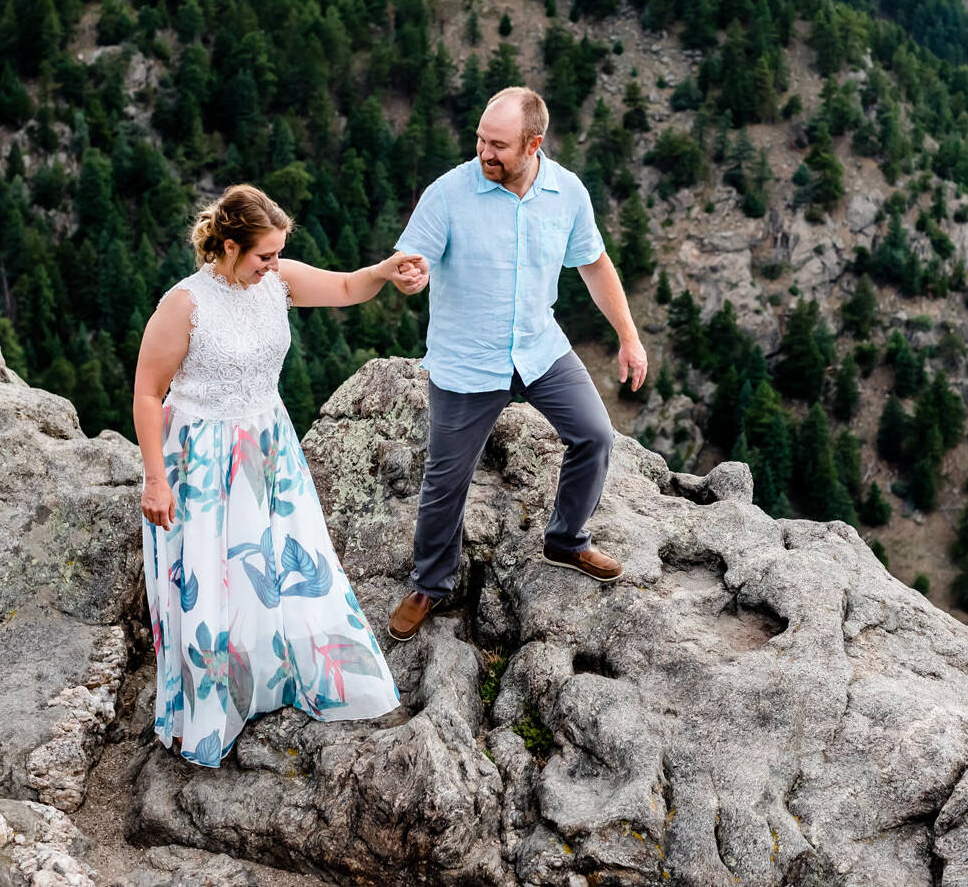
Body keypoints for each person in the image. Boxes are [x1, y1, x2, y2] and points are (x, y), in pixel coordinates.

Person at [134, 183, 427, 766]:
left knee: (275, 562)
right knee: (213, 578)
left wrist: (385, 270)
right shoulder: (184, 303)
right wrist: (155, 478)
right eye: (264, 254)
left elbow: (346, 287)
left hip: (268, 445)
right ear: (227, 245)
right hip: (201, 456)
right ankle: (212, 704)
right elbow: (147, 392)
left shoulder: (278, 281)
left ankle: (270, 676)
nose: (273, 265)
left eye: (277, 254)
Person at [387, 86, 647, 642]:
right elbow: (412, 260)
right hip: (467, 357)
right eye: (480, 139)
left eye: (498, 145)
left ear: (534, 144)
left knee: (596, 436)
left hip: (538, 346)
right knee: (445, 480)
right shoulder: (449, 193)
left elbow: (596, 266)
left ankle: (566, 540)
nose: (484, 152)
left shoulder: (567, 193)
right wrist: (412, 274)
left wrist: (628, 336)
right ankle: (430, 585)